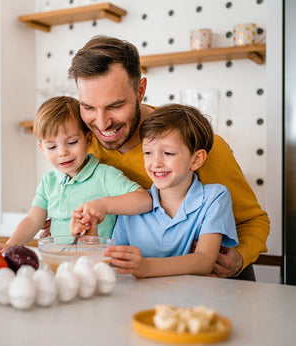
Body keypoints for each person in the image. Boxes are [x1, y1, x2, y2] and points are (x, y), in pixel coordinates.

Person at [67, 35, 269, 280]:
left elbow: (253, 220)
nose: (101, 123)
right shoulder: (85, 147)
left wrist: (238, 258)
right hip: (137, 285)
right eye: (88, 107)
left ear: (140, 90)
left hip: (212, 286)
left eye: (115, 106)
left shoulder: (199, 146)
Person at [73, 104, 239, 278]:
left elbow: (204, 261)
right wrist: (92, 241)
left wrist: (145, 267)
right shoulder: (132, 206)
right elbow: (115, 262)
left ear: (196, 159)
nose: (156, 163)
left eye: (168, 153)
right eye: (148, 152)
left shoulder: (215, 198)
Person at [0, 96, 152, 251]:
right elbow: (33, 219)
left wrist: (104, 205)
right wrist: (11, 245)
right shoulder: (48, 182)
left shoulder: (104, 175)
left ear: (88, 140)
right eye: (52, 147)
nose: (62, 153)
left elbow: (144, 200)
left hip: (97, 263)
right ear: (42, 149)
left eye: (72, 142)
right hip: (59, 260)